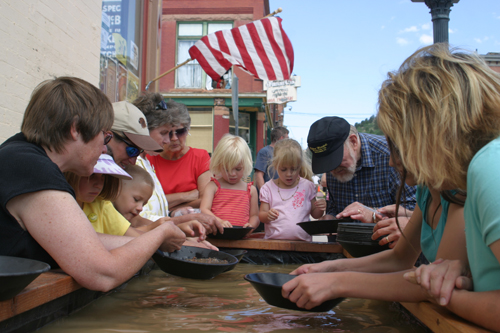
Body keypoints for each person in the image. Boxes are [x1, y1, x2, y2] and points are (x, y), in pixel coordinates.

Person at [0, 76, 186, 292]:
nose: (104, 149)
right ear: (75, 128)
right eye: (104, 136)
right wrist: (160, 234)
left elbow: (84, 241)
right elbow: (103, 274)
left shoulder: (22, 154)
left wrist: (156, 242)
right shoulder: (32, 169)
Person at [376, 44, 500, 331]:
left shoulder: (489, 165)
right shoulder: (473, 174)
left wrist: (446, 295)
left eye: (401, 140)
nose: (396, 158)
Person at [280, 144, 468, 309]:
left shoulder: (457, 193)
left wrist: (336, 283)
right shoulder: (426, 190)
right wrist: (327, 268)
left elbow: (436, 286)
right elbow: (399, 259)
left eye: (396, 149)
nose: (391, 162)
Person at [307, 116, 417, 245]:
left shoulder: (390, 156)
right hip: (345, 253)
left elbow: (416, 211)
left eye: (336, 161)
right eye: (327, 165)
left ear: (353, 142)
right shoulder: (334, 166)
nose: (333, 170)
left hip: (395, 252)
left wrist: (373, 215)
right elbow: (334, 207)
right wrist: (330, 218)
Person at [64, 155, 206, 249]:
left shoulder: (99, 204)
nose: (99, 184)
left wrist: (172, 234)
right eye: (92, 175)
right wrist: (162, 235)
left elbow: (130, 235)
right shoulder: (98, 203)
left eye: (104, 178)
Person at [131, 93, 223, 236]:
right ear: (144, 129)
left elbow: (150, 215)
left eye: (179, 132)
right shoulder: (136, 162)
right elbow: (136, 219)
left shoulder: (146, 161)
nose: (170, 139)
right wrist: (186, 205)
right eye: (165, 133)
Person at [147, 101, 211, 211]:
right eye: (168, 133)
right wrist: (186, 196)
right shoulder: (148, 159)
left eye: (180, 132)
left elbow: (206, 200)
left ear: (188, 130)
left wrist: (169, 207)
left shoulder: (200, 157)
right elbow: (147, 203)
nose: (174, 138)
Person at [258, 139, 326, 241]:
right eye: (283, 169)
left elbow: (315, 214)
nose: (289, 174)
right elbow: (261, 215)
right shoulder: (268, 188)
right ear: (276, 165)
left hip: (303, 246)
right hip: (274, 245)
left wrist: (321, 207)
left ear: (300, 166)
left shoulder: (308, 186)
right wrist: (267, 215)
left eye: (294, 169)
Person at [200, 134, 260, 229]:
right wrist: (219, 221)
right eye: (227, 169)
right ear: (219, 165)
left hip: (241, 238)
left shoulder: (250, 190)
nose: (232, 174)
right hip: (217, 236)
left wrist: (251, 226)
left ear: (246, 165)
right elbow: (204, 209)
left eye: (238, 169)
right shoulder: (213, 186)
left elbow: (254, 216)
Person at [254, 126, 289, 190]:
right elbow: (259, 175)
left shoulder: (284, 154)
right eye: (287, 138)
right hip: (268, 196)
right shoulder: (264, 152)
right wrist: (264, 195)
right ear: (281, 138)